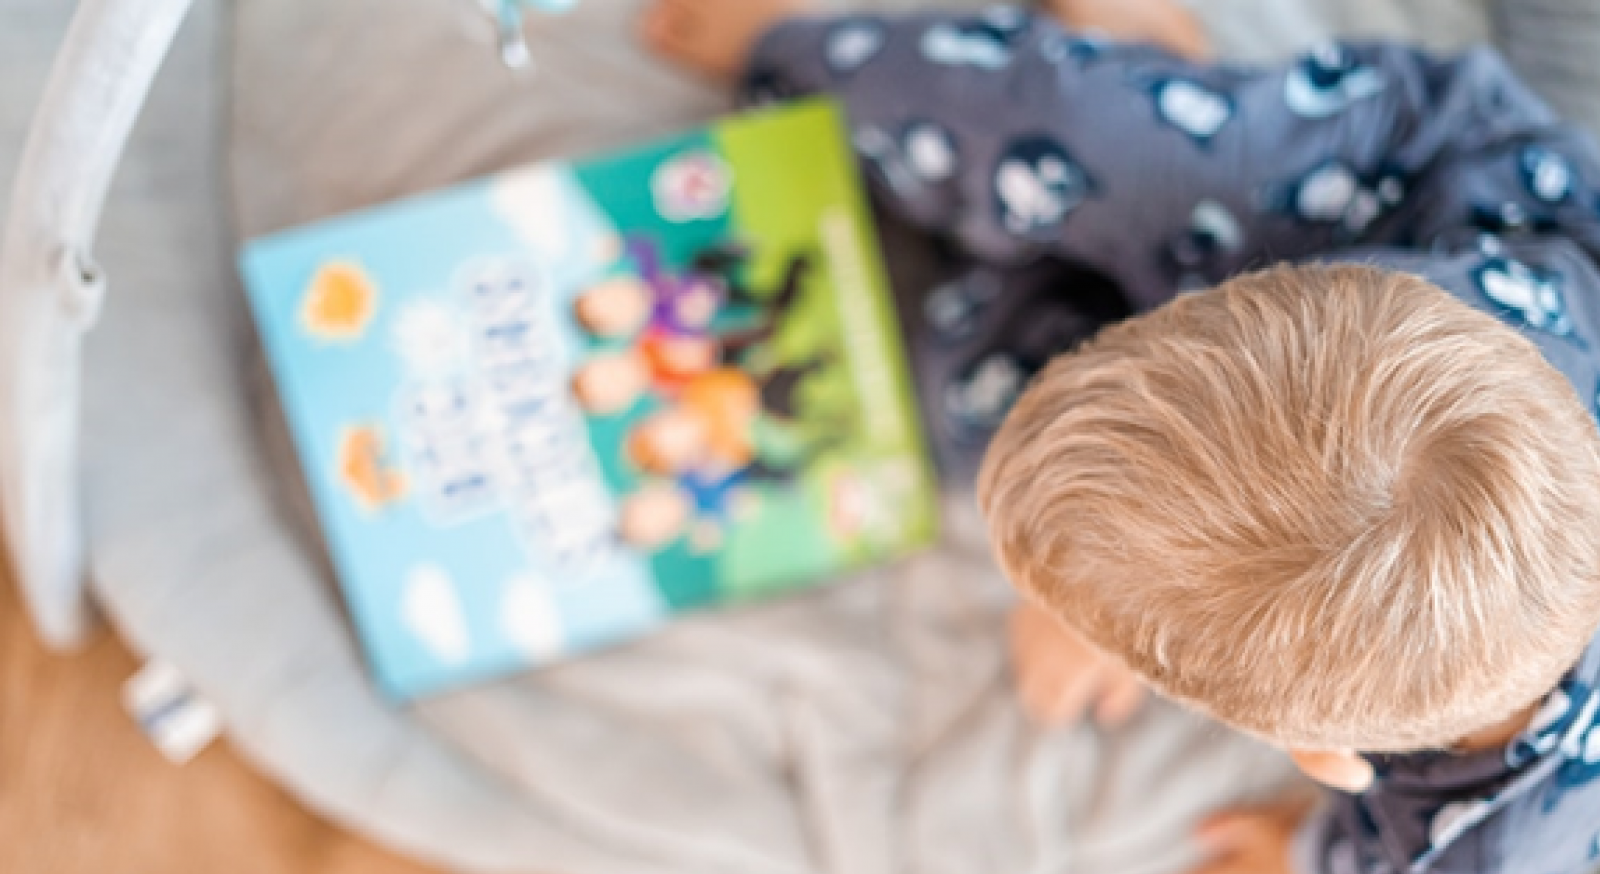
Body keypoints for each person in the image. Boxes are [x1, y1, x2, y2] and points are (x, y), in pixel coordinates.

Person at [639, 1, 1600, 873]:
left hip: (1367, 301)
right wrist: (788, 48)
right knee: (1102, 132)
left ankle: (1169, 94)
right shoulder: (1406, 308)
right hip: (1433, 190)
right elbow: (1019, 106)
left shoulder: (1502, 847)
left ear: (1327, 758)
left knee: (957, 396)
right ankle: (1172, 86)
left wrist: (1303, 854)